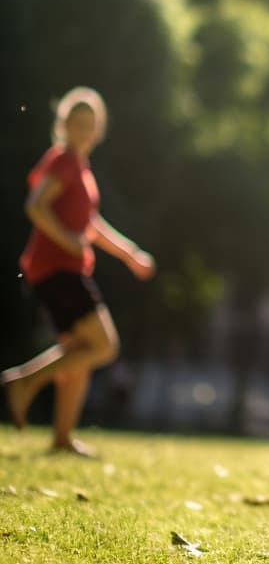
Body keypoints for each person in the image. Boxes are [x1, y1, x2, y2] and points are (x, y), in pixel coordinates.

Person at [3, 87, 156, 455]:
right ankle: (23, 382)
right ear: (64, 125)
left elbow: (90, 223)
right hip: (57, 268)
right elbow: (36, 206)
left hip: (58, 268)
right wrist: (69, 241)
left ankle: (61, 438)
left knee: (79, 352)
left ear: (98, 128)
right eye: (77, 122)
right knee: (103, 346)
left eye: (90, 123)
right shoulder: (63, 161)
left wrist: (128, 253)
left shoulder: (79, 167)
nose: (84, 129)